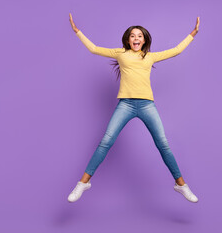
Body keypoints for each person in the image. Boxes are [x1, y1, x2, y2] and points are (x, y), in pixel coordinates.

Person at [67, 13, 200, 203]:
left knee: (163, 144)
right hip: (126, 104)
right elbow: (94, 49)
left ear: (144, 39)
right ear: (127, 40)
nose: (136, 38)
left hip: (147, 105)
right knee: (106, 141)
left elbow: (176, 50)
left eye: (139, 36)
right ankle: (83, 183)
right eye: (132, 35)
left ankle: (181, 185)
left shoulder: (150, 57)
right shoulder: (121, 54)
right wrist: (77, 31)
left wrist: (193, 33)